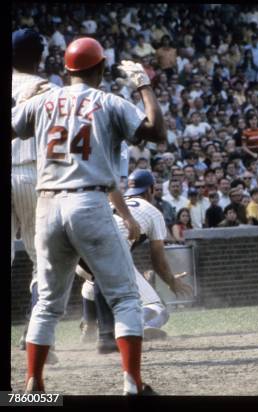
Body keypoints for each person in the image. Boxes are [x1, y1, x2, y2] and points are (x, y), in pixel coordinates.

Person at [12, 37, 165, 394]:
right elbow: (157, 133)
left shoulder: (42, 99)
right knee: (125, 297)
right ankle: (133, 384)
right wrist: (143, 84)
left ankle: (32, 384)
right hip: (89, 202)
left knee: (49, 302)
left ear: (65, 71)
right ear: (100, 70)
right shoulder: (110, 101)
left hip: (47, 204)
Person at [77, 170, 193, 352]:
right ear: (151, 189)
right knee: (157, 308)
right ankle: (139, 325)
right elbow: (158, 261)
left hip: (79, 253)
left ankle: (90, 327)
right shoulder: (153, 212)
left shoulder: (113, 202)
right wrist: (171, 281)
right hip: (110, 251)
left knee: (92, 282)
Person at [11, 29, 61, 362]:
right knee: (41, 260)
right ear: (40, 56)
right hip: (32, 174)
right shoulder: (50, 89)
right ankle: (37, 337)